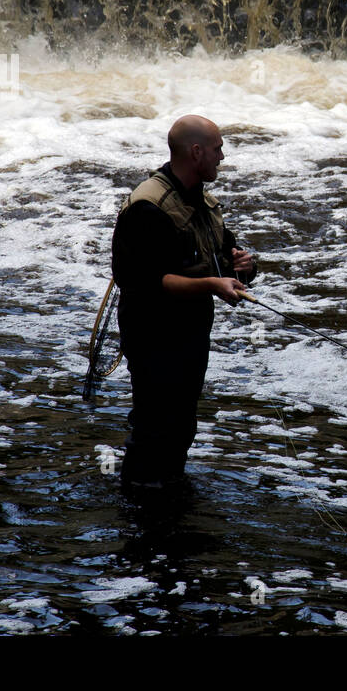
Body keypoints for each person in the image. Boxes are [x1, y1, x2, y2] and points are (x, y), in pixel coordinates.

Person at [110, 115, 257, 492]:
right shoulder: (148, 208)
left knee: (181, 426)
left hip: (190, 334)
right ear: (196, 153)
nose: (223, 156)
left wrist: (245, 265)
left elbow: (224, 259)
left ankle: (167, 501)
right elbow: (147, 284)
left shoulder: (203, 202)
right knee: (154, 428)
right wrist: (211, 283)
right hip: (153, 335)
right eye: (218, 149)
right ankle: (140, 506)